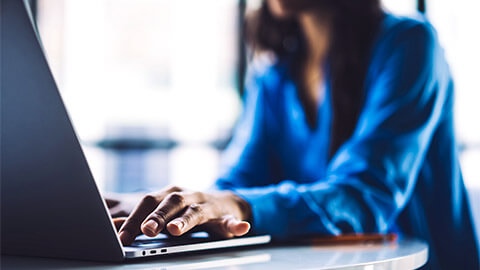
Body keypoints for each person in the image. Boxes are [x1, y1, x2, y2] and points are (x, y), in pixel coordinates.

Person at [110, 0, 479, 268]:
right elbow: (238, 183)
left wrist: (237, 205)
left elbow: (365, 196)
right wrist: (173, 209)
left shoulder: (410, 45)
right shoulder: (275, 72)